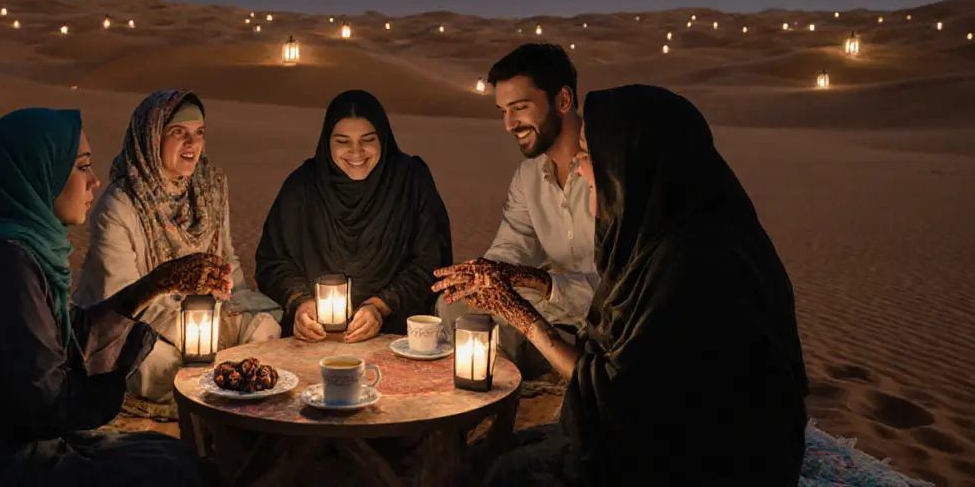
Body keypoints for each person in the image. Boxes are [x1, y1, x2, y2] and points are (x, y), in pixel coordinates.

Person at [438, 85, 809, 486]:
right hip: (664, 432)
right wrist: (518, 278)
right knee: (497, 455)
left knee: (503, 475)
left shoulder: (693, 262)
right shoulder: (664, 237)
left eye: (588, 154)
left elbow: (617, 402)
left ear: (635, 163)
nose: (579, 168)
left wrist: (521, 316)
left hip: (708, 456)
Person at [0, 108, 229, 487]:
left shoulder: (15, 248)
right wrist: (110, 383)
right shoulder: (1, 265)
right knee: (174, 472)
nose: (94, 181)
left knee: (169, 455)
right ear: (37, 173)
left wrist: (157, 283)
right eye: (81, 167)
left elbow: (61, 335)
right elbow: (43, 401)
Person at [74, 90, 281, 402]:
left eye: (199, 133)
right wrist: (196, 337)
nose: (192, 144)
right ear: (151, 137)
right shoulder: (120, 205)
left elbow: (227, 257)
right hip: (140, 321)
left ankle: (222, 382)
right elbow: (122, 296)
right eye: (178, 133)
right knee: (160, 366)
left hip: (205, 316)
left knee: (265, 325)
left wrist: (233, 299)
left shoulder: (210, 187)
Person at [436, 43, 599, 377]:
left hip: (600, 321)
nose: (509, 124)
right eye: (503, 111)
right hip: (551, 310)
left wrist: (538, 283)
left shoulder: (608, 169)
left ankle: (490, 408)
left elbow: (624, 288)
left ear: (563, 100)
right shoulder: (529, 176)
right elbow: (513, 246)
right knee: (453, 306)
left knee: (496, 340)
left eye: (520, 108)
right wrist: (483, 276)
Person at [255, 89, 453, 342]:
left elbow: (431, 262)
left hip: (397, 332)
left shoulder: (411, 181)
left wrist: (380, 305)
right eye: (342, 141)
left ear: (383, 138)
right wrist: (301, 303)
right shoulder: (302, 186)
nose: (356, 151)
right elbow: (272, 262)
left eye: (367, 139)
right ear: (327, 142)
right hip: (316, 334)